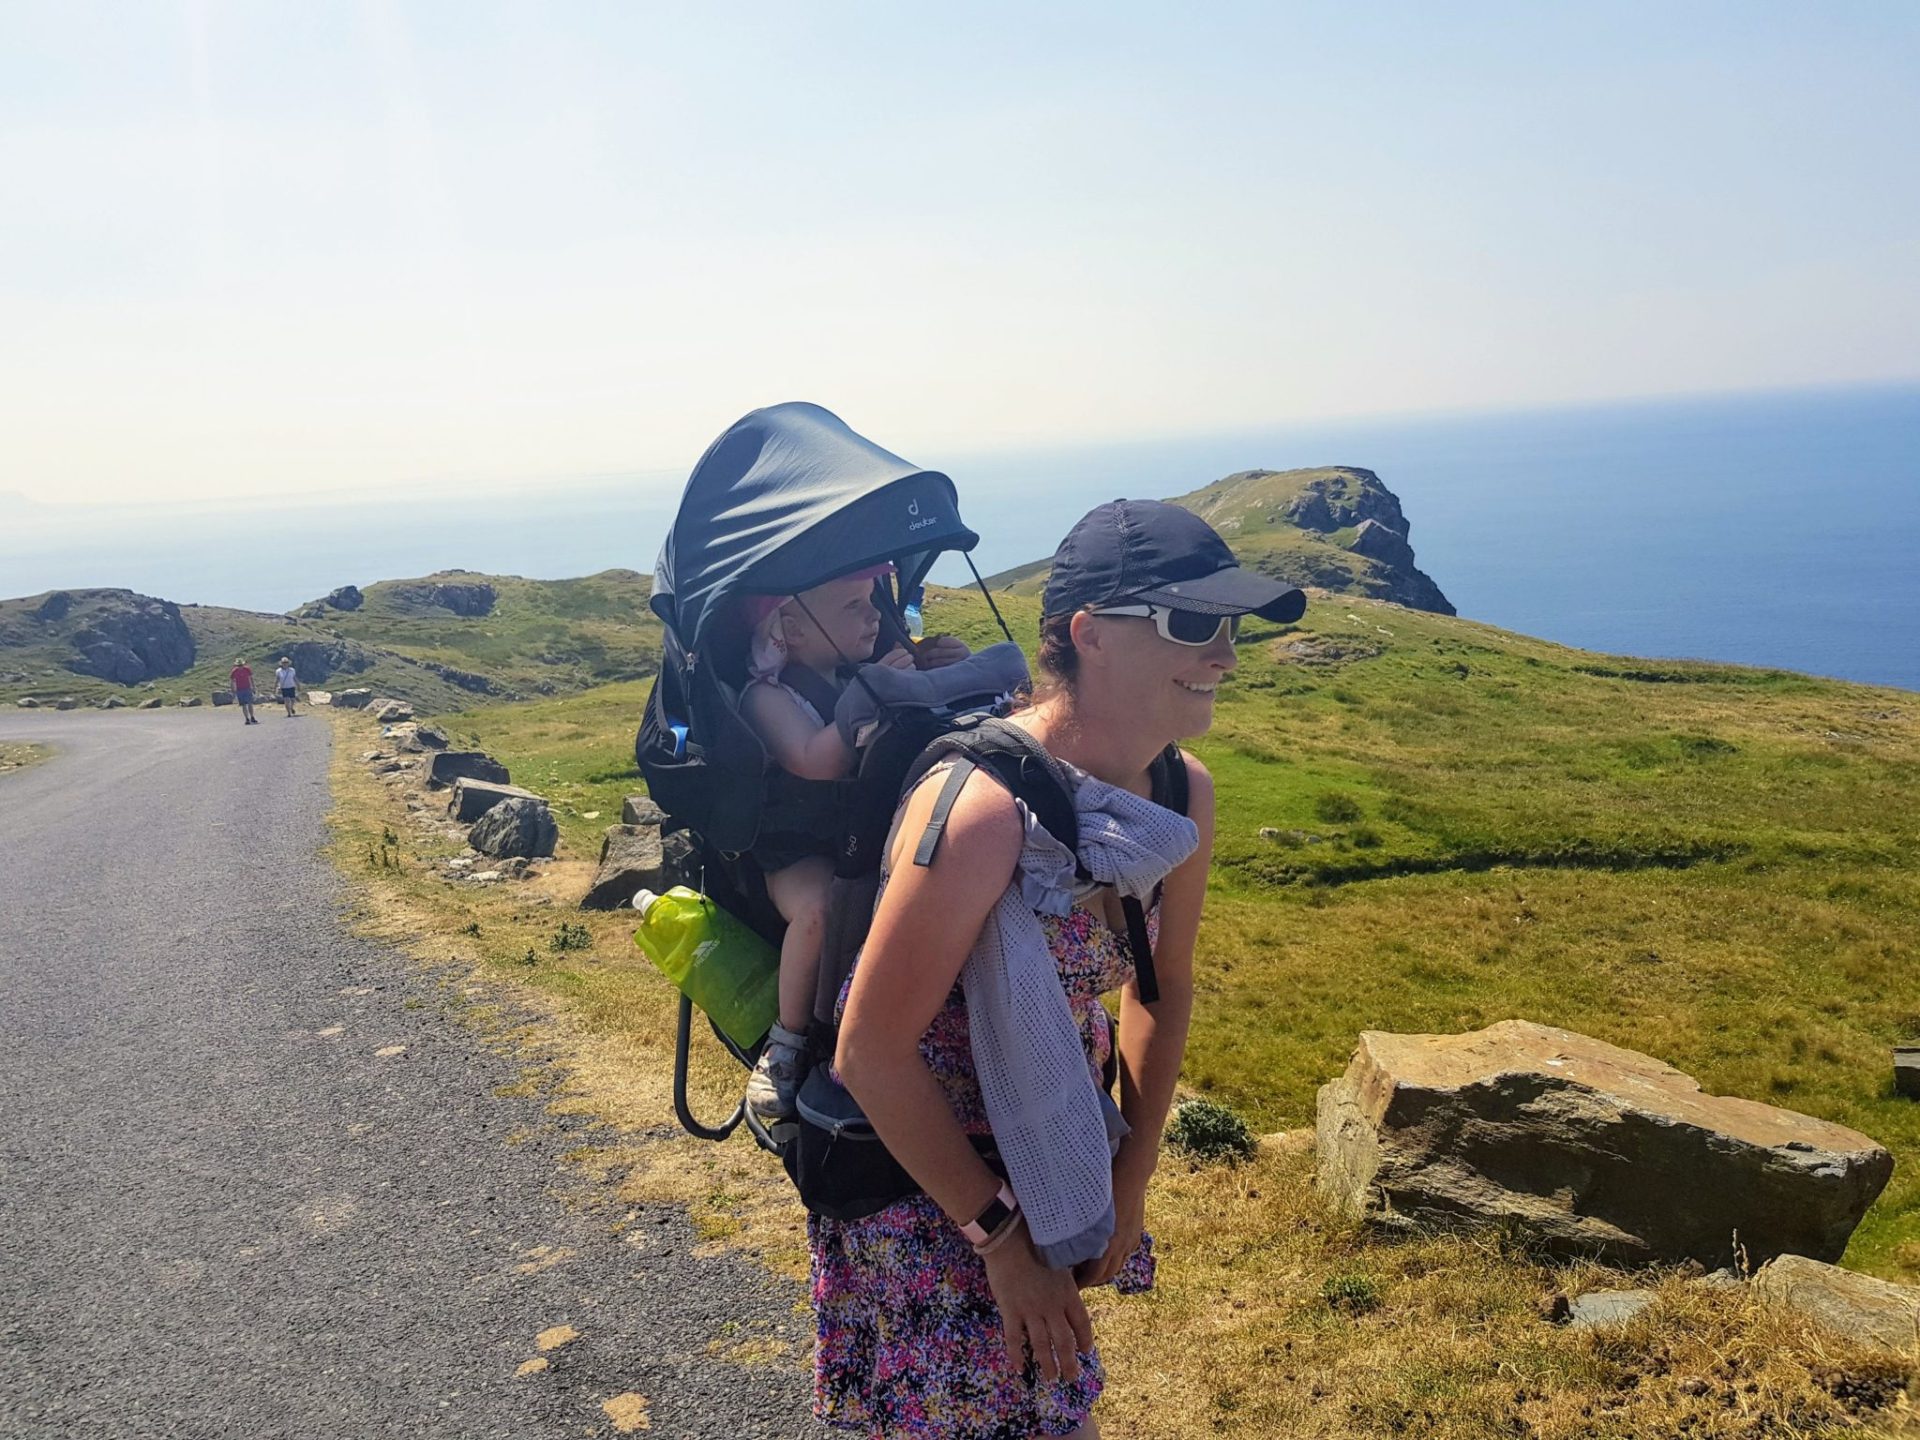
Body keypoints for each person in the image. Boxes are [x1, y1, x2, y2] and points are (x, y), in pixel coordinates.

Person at [814, 499, 1304, 1440]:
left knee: (1046, 1407)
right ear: (1090, 636)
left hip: (1053, 1151)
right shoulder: (979, 813)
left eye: (1231, 628)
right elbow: (868, 1052)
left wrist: (1132, 1177)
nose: (1226, 656)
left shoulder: (1178, 790)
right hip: (925, 1181)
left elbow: (1165, 985)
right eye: (1193, 624)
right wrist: (999, 1240)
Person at [736, 567, 968, 1121]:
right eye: (852, 607)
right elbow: (814, 761)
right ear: (788, 627)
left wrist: (940, 674)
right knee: (819, 911)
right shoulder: (764, 698)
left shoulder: (858, 673)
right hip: (796, 848)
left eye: (873, 603)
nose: (874, 616)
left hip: (868, 834)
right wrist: (877, 692)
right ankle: (786, 1043)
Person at [230, 659, 258, 725]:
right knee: (243, 705)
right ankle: (247, 718)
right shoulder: (234, 671)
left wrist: (253, 687)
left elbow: (251, 678)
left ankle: (252, 717)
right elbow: (232, 681)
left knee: (250, 703)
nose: (240, 666)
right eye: (239, 665)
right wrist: (233, 690)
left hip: (247, 688)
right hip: (239, 689)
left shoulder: (247, 669)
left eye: (241, 665)